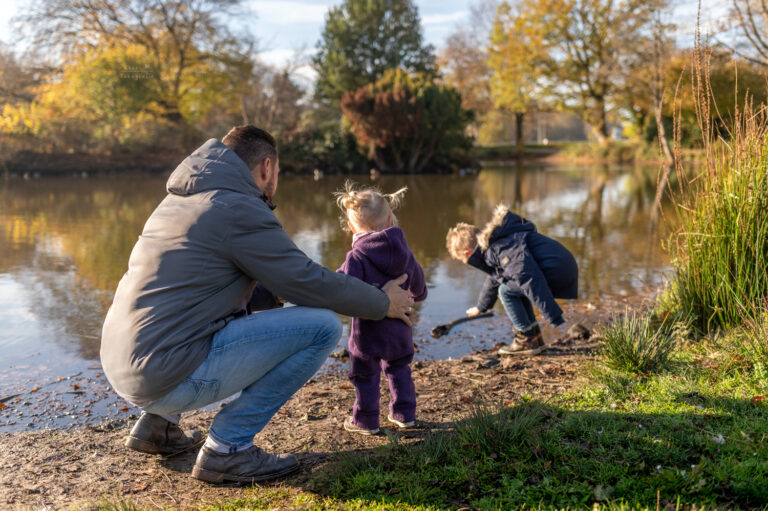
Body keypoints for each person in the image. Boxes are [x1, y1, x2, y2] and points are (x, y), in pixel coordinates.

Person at [100, 126, 415, 484]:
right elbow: (308, 281)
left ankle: (158, 424)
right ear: (266, 168)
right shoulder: (238, 207)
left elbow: (209, 286)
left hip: (123, 364)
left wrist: (275, 292)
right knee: (323, 326)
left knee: (210, 314)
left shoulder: (180, 200)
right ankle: (227, 448)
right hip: (163, 373)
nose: (275, 181)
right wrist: (380, 301)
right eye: (277, 174)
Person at [334, 182, 427, 435]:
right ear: (389, 220)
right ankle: (404, 414)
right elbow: (420, 290)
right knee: (399, 369)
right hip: (400, 328)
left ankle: (365, 420)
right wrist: (414, 294)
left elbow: (342, 288)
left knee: (365, 374)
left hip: (367, 331)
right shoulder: (406, 253)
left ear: (352, 226)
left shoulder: (356, 257)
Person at [445, 205, 578, 356]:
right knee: (513, 288)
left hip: (558, 270)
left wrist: (551, 314)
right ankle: (534, 337)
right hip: (561, 266)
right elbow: (496, 277)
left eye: (464, 260)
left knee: (506, 291)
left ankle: (526, 340)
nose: (465, 263)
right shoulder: (496, 245)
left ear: (468, 253)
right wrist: (481, 307)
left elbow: (527, 277)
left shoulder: (501, 248)